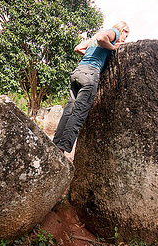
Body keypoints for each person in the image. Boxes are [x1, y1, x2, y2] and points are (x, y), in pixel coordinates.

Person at [52, 21, 129, 153]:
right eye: (126, 36)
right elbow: (101, 39)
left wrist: (95, 53)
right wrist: (113, 48)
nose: (125, 39)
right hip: (90, 74)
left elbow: (78, 48)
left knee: (68, 111)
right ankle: (62, 148)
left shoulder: (94, 36)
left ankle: (55, 144)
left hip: (78, 72)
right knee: (79, 112)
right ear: (123, 31)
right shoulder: (114, 32)